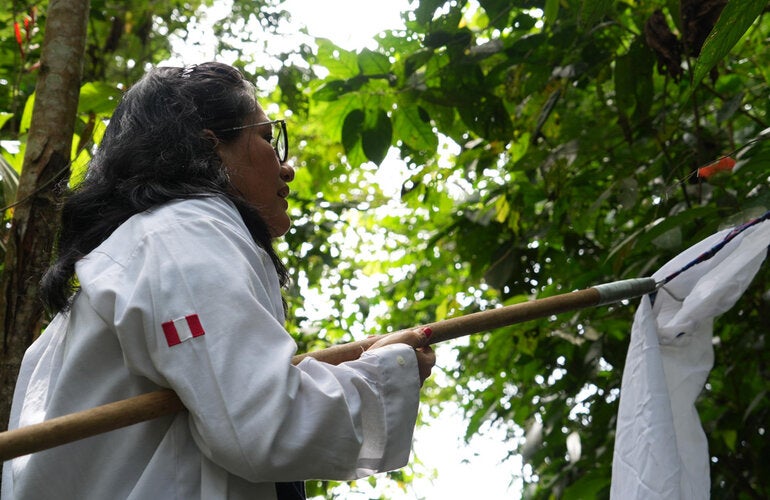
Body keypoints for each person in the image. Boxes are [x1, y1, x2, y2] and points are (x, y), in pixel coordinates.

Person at [1, 62, 435, 500]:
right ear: (211, 149)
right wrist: (385, 374)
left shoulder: (151, 247)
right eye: (267, 138)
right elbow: (264, 427)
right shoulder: (180, 232)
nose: (287, 169)